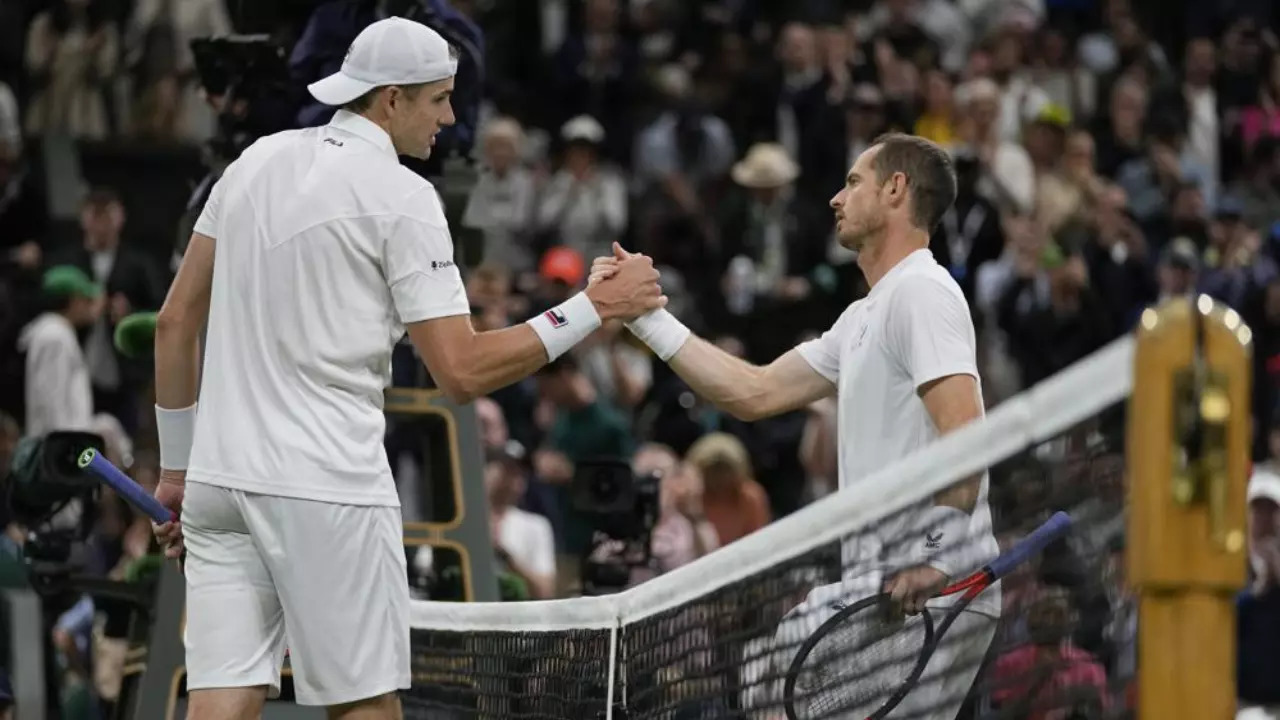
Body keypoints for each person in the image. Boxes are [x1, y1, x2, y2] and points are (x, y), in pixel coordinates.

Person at [150, 17, 662, 720]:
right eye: (439, 100)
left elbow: (175, 325)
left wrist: (177, 472)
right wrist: (591, 309)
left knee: (217, 703)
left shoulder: (254, 162)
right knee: (366, 707)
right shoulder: (404, 197)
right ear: (391, 100)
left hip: (219, 487)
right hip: (325, 489)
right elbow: (462, 372)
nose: (451, 119)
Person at [592, 132, 1000, 717]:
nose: (836, 198)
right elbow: (752, 392)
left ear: (895, 189)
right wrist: (647, 319)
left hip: (931, 586)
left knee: (773, 678)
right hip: (883, 589)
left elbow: (965, 432)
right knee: (770, 671)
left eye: (853, 182)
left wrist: (935, 555)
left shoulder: (922, 292)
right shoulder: (863, 315)